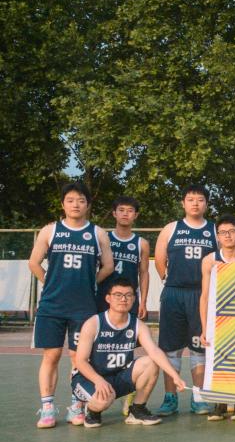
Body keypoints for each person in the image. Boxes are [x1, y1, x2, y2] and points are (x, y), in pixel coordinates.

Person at [28, 182, 114, 428]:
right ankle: (47, 408)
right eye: (70, 200)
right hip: (52, 305)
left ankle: (76, 406)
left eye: (81, 200)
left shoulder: (98, 233)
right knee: (52, 355)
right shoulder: (50, 231)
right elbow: (34, 262)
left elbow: (108, 266)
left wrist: (91, 283)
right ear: (63, 204)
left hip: (83, 306)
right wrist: (50, 282)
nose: (76, 204)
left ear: (88, 205)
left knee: (79, 357)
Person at [71, 277, 187, 428]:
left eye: (128, 295)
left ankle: (138, 409)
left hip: (118, 377)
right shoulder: (93, 323)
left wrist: (175, 376)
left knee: (151, 362)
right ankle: (92, 411)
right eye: (118, 295)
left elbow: (154, 351)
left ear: (133, 299)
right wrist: (98, 380)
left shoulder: (138, 325)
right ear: (108, 298)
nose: (123, 299)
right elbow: (80, 361)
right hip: (89, 378)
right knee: (104, 400)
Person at [153, 184, 217, 416]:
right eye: (190, 199)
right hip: (174, 293)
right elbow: (159, 258)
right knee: (171, 349)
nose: (195, 203)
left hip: (201, 295)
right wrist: (168, 279)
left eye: (200, 199)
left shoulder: (213, 230)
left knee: (199, 348)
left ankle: (198, 397)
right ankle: (170, 397)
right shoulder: (171, 228)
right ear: (183, 203)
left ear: (206, 204)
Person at [199, 215, 235, 421]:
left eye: (232, 231)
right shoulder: (209, 260)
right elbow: (205, 296)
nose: (228, 236)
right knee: (218, 360)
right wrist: (204, 328)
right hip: (218, 319)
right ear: (217, 236)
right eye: (223, 232)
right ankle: (220, 404)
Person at [95, 196, 149, 319]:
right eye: (121, 210)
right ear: (114, 213)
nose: (125, 214)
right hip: (104, 296)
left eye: (130, 211)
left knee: (129, 330)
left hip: (128, 298)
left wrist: (143, 302)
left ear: (136, 215)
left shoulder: (142, 243)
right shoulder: (103, 238)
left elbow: (144, 273)